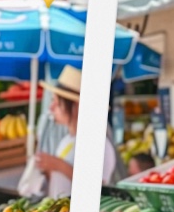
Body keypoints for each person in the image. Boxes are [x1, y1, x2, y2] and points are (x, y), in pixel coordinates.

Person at [34, 66, 117, 197]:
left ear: (76, 106)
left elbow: (97, 187)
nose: (51, 108)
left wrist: (58, 165)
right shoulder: (67, 139)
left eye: (57, 102)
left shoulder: (98, 144)